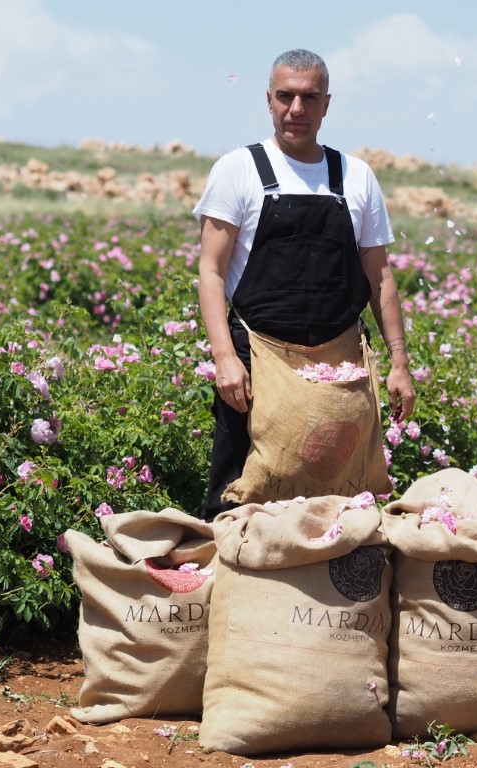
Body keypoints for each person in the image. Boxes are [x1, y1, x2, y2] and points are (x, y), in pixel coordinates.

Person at [195, 48, 416, 520]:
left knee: (340, 495)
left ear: (326, 104)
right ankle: (233, 585)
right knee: (236, 493)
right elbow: (211, 271)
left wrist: (399, 361)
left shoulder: (355, 177)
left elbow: (380, 276)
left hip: (340, 365)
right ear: (269, 100)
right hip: (257, 360)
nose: (296, 109)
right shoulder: (238, 170)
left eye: (309, 98)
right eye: (286, 97)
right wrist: (224, 358)